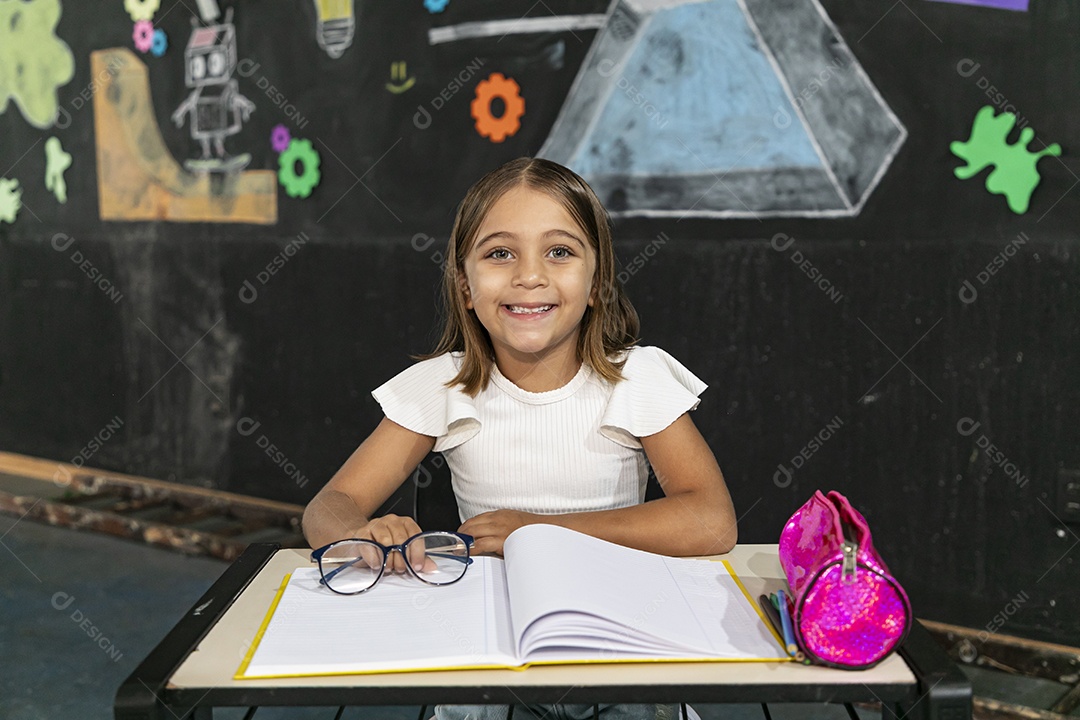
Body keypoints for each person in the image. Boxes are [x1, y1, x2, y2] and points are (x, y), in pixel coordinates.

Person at [302, 157, 737, 720]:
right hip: (491, 645)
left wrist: (540, 533)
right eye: (499, 253)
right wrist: (362, 536)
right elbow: (328, 506)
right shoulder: (443, 384)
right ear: (465, 286)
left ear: (597, 282)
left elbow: (711, 520)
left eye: (559, 251)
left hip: (614, 640)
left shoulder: (636, 377)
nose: (529, 275)